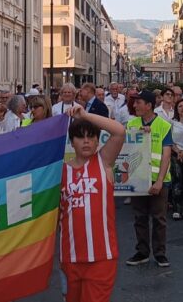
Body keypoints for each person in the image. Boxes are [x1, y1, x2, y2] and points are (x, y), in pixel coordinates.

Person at [60, 105, 127, 302]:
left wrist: (85, 115)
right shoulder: (61, 172)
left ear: (98, 141)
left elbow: (119, 131)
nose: (86, 141)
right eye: (80, 137)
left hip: (101, 257)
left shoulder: (103, 162)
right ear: (72, 142)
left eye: (91, 136)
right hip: (70, 257)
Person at [125, 90, 173, 267]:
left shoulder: (163, 125)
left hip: (157, 179)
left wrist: (160, 181)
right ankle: (142, 251)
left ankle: (160, 252)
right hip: (138, 178)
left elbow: (166, 155)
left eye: (139, 102)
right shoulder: (131, 124)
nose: (135, 105)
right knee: (140, 217)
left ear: (149, 105)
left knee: (159, 218)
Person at [169, 99, 183, 220]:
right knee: (177, 181)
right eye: (180, 106)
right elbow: (170, 141)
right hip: (176, 154)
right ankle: (177, 208)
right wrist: (178, 152)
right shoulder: (172, 123)